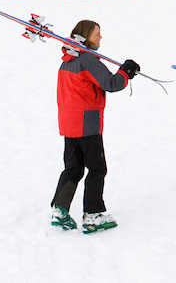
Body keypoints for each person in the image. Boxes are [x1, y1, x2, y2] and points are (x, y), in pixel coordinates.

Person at [51, 19, 140, 234]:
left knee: (73, 168)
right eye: (97, 34)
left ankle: (60, 209)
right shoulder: (88, 60)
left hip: (69, 123)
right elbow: (110, 84)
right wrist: (125, 72)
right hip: (87, 124)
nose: (100, 38)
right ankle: (94, 214)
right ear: (86, 37)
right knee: (97, 168)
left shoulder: (67, 60)